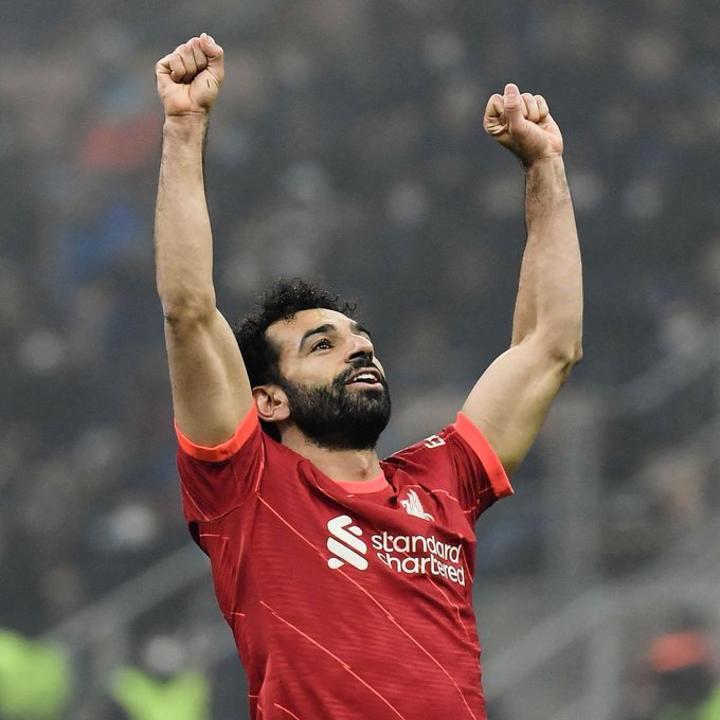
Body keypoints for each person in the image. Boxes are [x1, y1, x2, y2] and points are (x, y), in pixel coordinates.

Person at [154, 32, 582, 720]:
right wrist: (184, 126)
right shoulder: (247, 488)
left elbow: (548, 346)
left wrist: (545, 166)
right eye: (322, 345)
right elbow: (188, 311)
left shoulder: (440, 483)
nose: (360, 352)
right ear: (267, 400)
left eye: (363, 341)